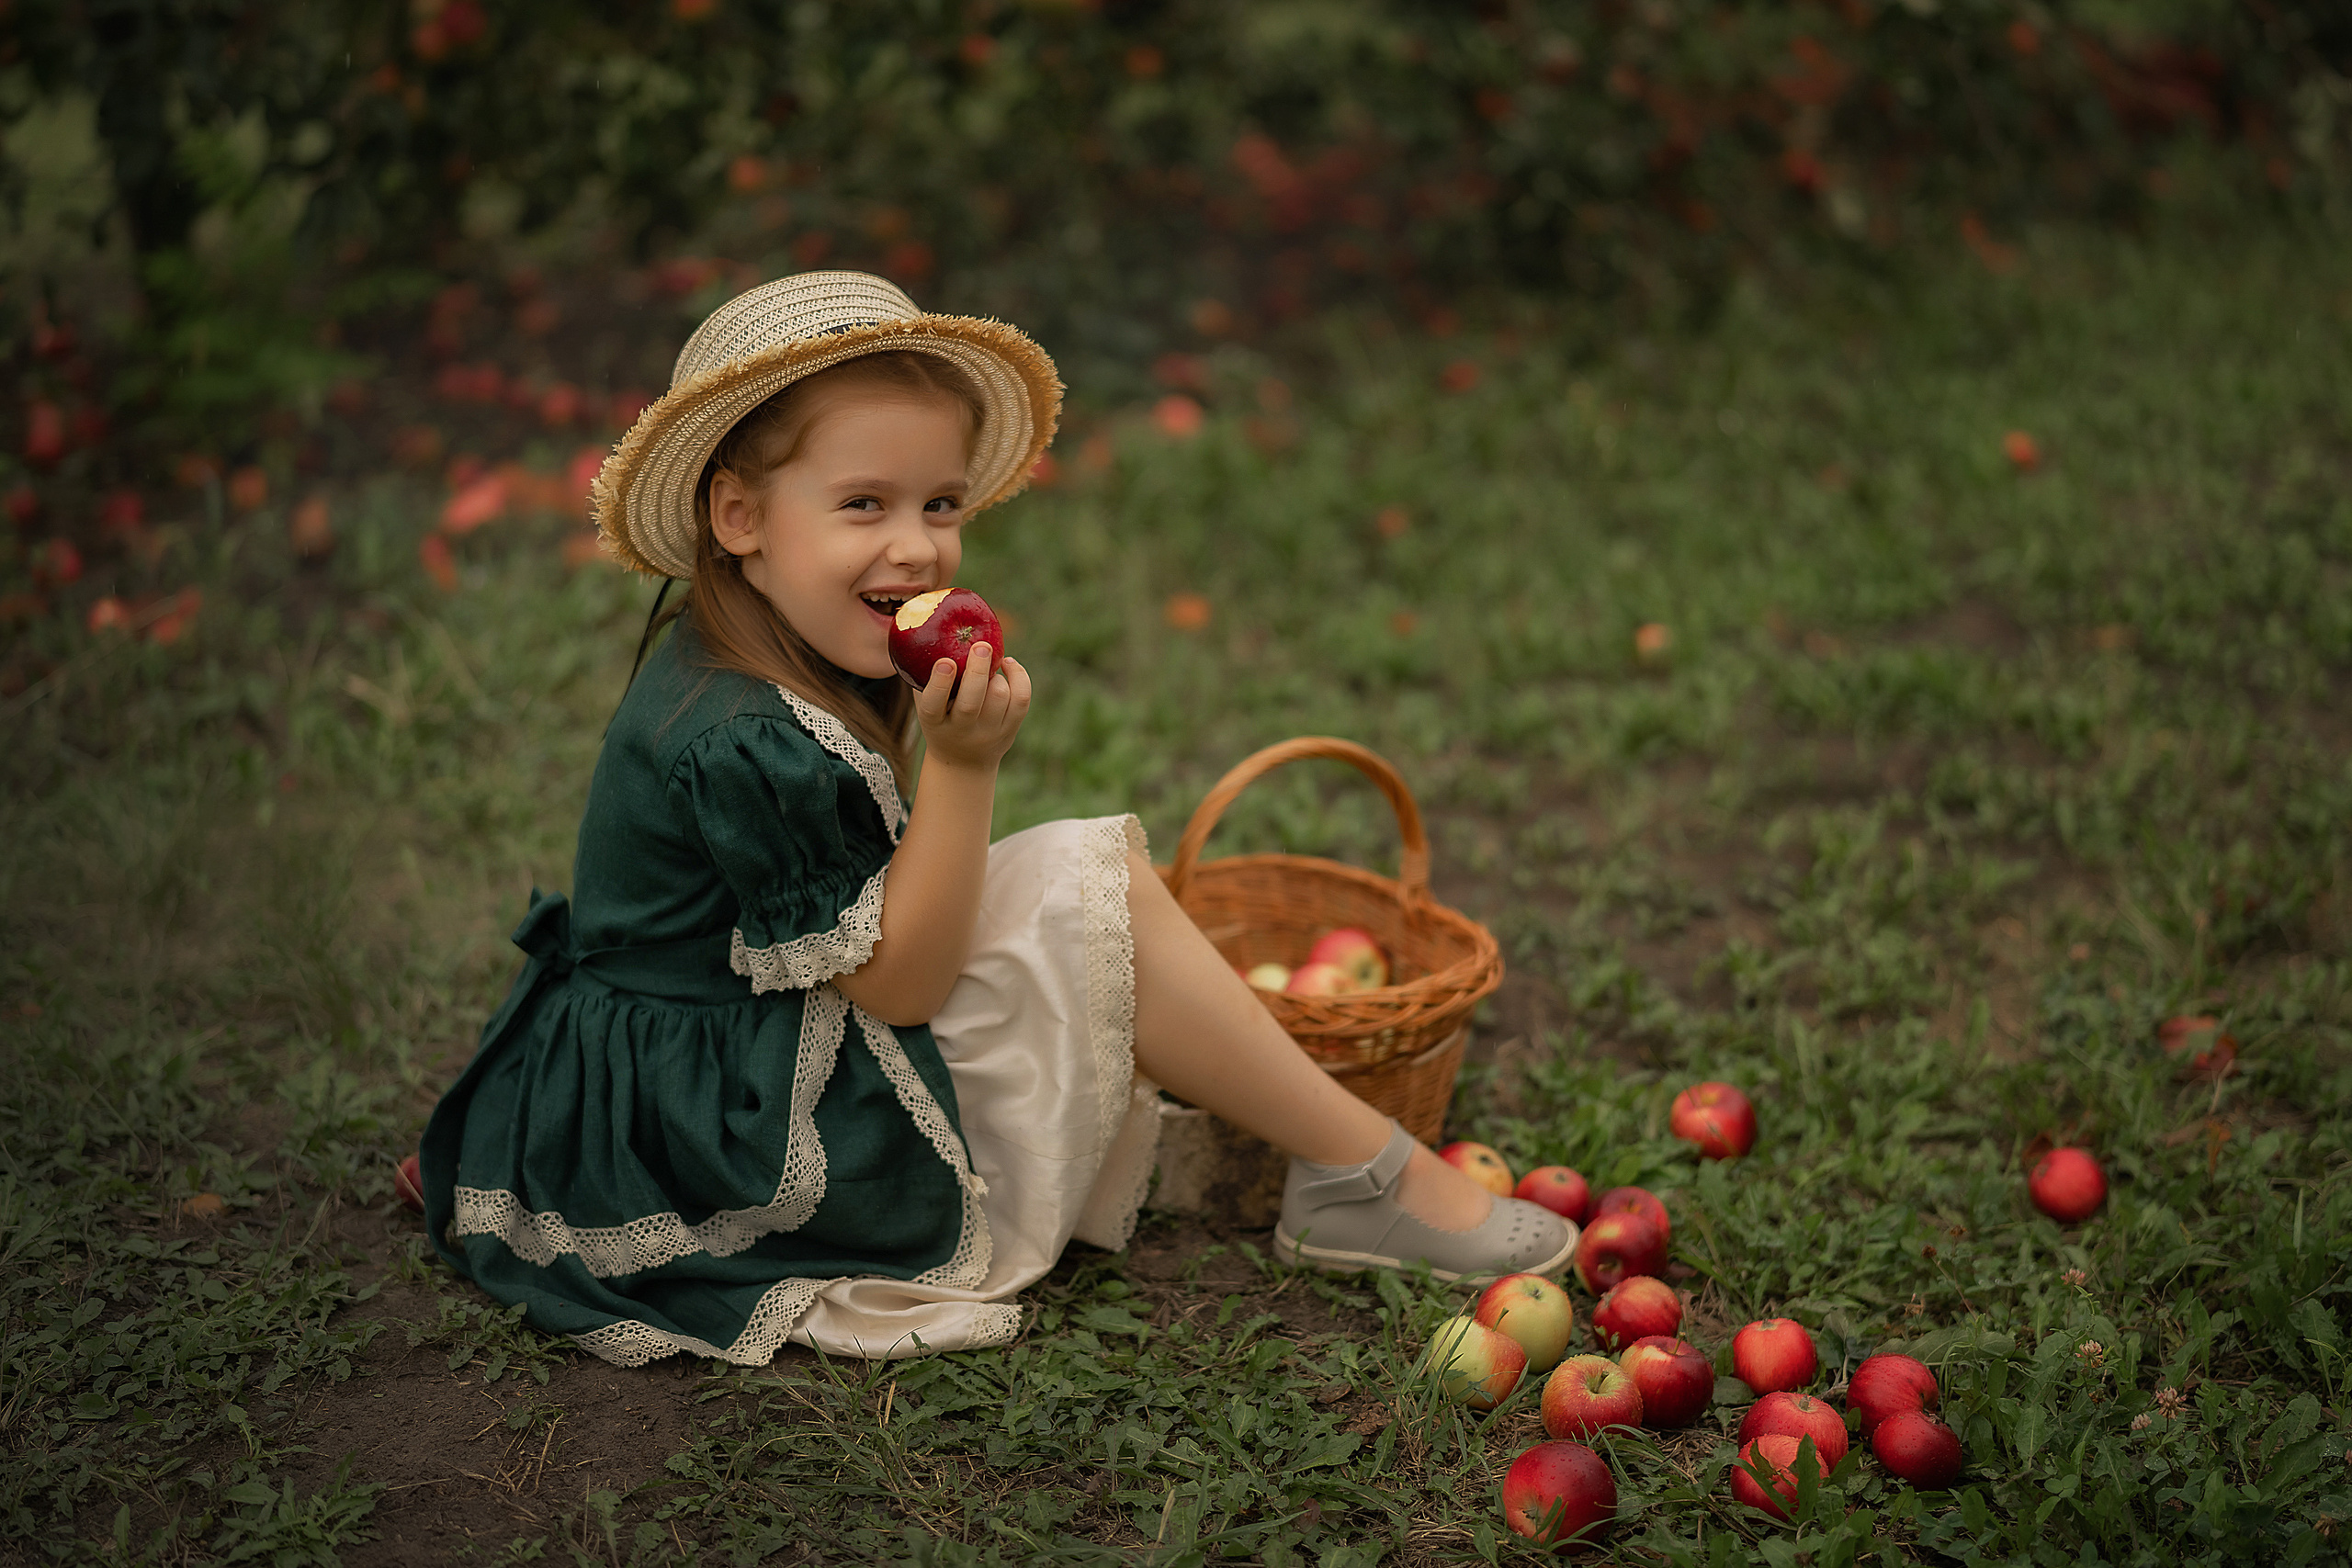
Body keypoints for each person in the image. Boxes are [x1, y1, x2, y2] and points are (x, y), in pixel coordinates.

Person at [414, 272, 1574, 1368]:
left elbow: (874, 919)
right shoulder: (744, 738)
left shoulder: (765, 651)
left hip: (750, 1028)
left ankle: (1346, 1165)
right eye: (862, 503)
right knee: (1085, 888)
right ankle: (1363, 1174)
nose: (916, 545)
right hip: (718, 1123)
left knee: (1082, 898)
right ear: (739, 515)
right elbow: (901, 988)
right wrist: (966, 769)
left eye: (940, 504)